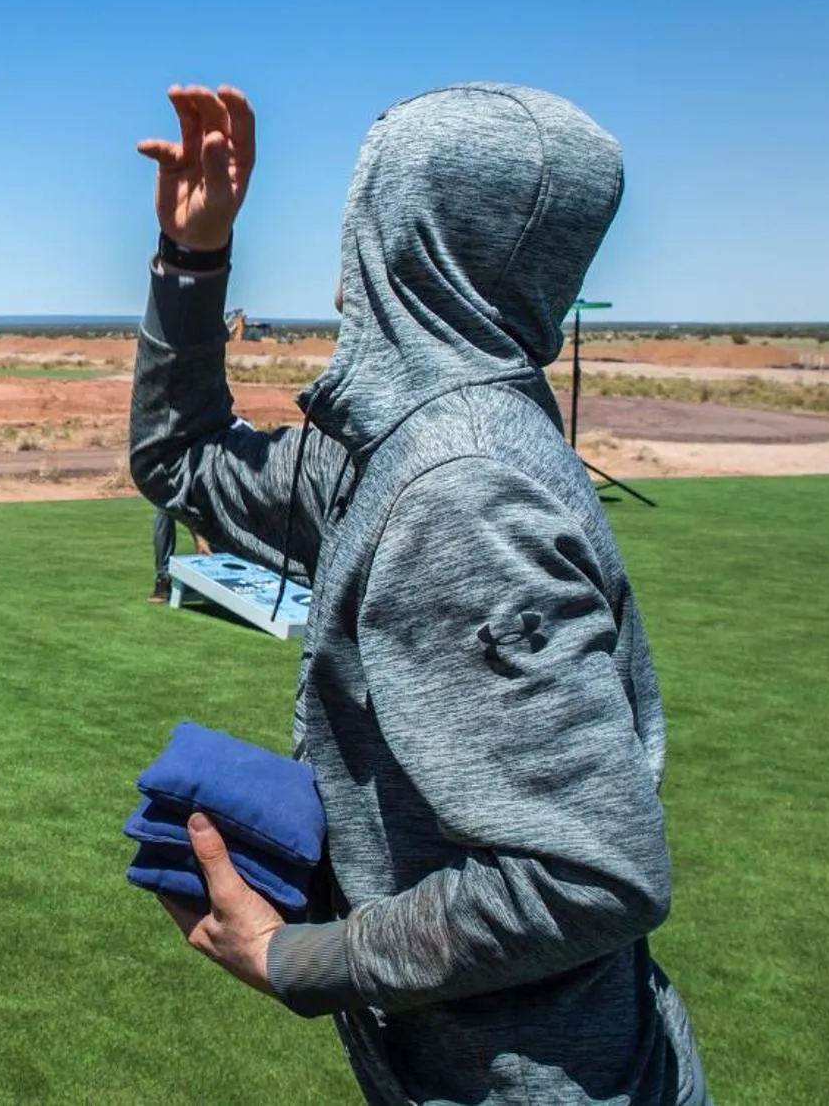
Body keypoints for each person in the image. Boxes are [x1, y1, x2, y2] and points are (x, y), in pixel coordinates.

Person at [129, 84, 705, 1105]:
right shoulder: (396, 451)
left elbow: (594, 877)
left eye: (363, 213)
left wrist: (295, 959)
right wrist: (193, 260)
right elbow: (180, 461)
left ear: (402, 239)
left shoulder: (460, 488)